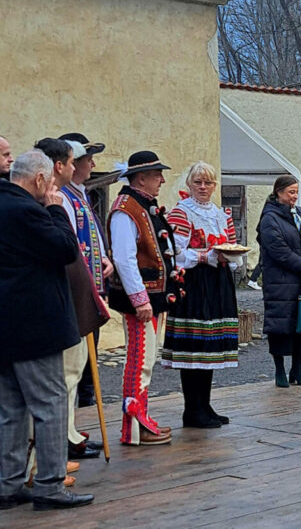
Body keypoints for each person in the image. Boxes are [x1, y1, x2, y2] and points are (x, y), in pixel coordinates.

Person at [0, 149, 94, 510]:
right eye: (50, 183)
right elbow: (65, 248)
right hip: (35, 324)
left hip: (6, 325)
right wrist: (56, 209)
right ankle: (50, 485)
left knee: (10, 408)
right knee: (51, 405)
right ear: (39, 179)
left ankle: (8, 484)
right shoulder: (27, 211)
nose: (52, 188)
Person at [34, 138, 104, 460]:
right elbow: (68, 247)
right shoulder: (56, 200)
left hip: (80, 290)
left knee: (75, 370)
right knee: (66, 371)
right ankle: (59, 439)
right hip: (68, 294)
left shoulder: (75, 196)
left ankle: (69, 431)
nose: (80, 166)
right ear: (59, 165)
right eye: (75, 160)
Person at [108, 151, 179, 446]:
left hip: (152, 298)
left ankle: (140, 423)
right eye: (156, 175)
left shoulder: (141, 205)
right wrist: (139, 300)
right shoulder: (126, 209)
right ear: (141, 178)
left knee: (146, 360)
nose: (161, 180)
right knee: (139, 362)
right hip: (141, 301)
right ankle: (134, 427)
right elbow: (124, 258)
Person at [163, 162, 240, 428]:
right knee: (193, 345)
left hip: (218, 281)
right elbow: (174, 254)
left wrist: (230, 256)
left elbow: (230, 246)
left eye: (208, 183)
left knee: (209, 346)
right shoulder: (181, 213)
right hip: (194, 283)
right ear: (189, 184)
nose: (204, 187)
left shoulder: (221, 215)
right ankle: (192, 409)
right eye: (198, 182)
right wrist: (205, 256)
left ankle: (204, 405)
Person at [257, 175, 301, 388]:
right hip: (280, 280)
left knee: (300, 325)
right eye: (290, 192)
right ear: (279, 192)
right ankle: (279, 370)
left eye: (296, 192)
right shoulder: (269, 218)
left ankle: (297, 369)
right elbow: (277, 249)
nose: (294, 196)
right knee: (279, 326)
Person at [58, 132, 108, 409]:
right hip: (77, 292)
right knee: (73, 366)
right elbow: (72, 242)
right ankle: (70, 431)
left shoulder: (81, 194)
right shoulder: (63, 197)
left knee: (88, 363)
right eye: (88, 159)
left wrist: (104, 258)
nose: (93, 164)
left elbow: (91, 235)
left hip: (91, 290)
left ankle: (81, 424)